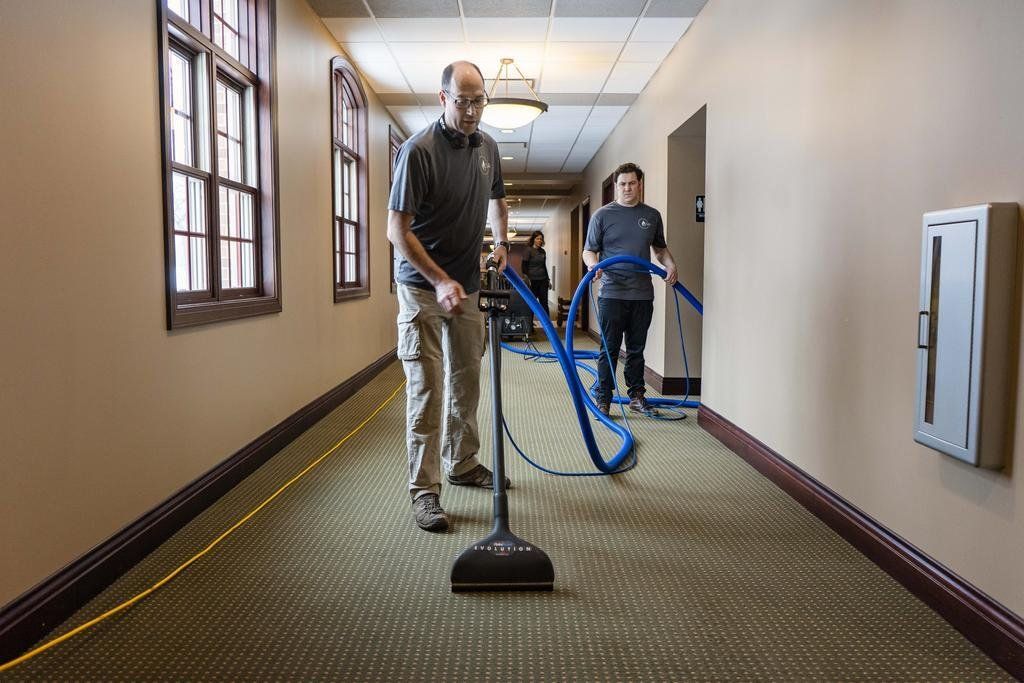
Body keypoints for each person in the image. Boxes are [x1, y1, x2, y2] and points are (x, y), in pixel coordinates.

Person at [387, 61, 511, 533]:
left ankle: (462, 463)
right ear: (443, 99)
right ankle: (424, 490)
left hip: (468, 286)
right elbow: (395, 230)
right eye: (462, 101)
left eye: (479, 100)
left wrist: (500, 243)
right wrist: (439, 280)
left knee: (467, 381)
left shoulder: (489, 148)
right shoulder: (418, 151)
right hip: (422, 288)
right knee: (427, 390)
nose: (472, 111)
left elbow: (498, 199)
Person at [582, 162, 678, 418]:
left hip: (642, 293)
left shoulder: (652, 215)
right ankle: (604, 397)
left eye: (632, 183)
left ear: (639, 184)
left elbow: (659, 249)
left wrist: (670, 265)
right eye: (622, 184)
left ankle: (636, 395)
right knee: (609, 348)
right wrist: (594, 266)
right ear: (616, 186)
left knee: (636, 349)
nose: (627, 188)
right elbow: (588, 250)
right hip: (612, 292)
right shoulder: (602, 215)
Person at [521, 230, 550, 324]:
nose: (539, 240)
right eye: (537, 238)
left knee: (544, 304)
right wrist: (527, 279)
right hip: (532, 281)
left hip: (543, 280)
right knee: (532, 303)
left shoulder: (543, 251)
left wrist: (548, 279)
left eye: (541, 239)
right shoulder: (528, 250)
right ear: (533, 239)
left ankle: (547, 325)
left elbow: (544, 266)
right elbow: (524, 267)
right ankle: (529, 325)